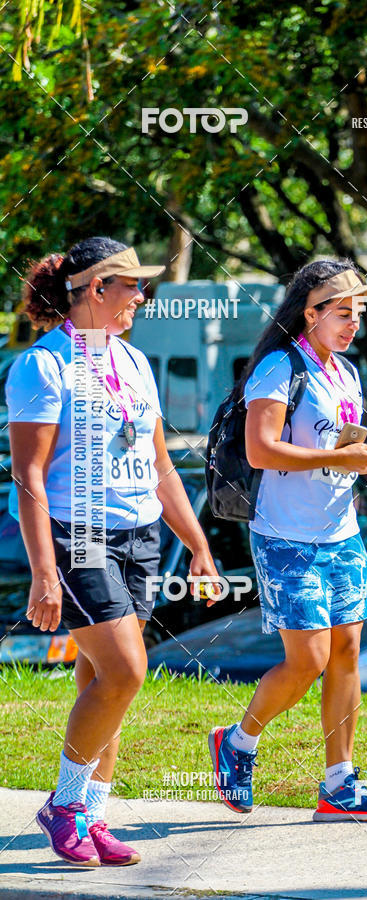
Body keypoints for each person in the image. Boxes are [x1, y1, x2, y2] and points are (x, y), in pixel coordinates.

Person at [7, 237, 220, 866]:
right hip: (83, 534)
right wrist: (44, 572)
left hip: (141, 536)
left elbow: (161, 466)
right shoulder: (43, 366)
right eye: (131, 285)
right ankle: (65, 805)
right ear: (95, 289)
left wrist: (199, 547)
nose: (142, 296)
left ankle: (93, 814)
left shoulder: (133, 361)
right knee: (127, 671)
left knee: (105, 680)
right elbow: (30, 476)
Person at [208, 259, 367, 822]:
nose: (353, 323)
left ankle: (339, 782)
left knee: (347, 650)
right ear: (311, 312)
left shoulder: (344, 373)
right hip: (285, 536)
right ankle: (238, 742)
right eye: (342, 312)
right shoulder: (280, 367)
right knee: (308, 659)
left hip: (341, 531)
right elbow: (261, 450)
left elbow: (342, 455)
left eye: (359, 313)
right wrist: (340, 456)